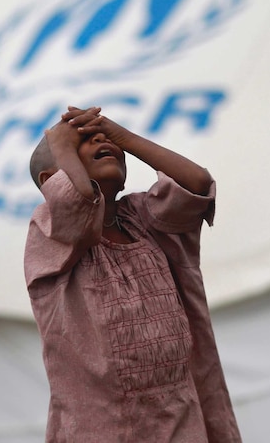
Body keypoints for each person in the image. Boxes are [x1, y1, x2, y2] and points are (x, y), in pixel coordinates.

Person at [24, 105, 242, 442]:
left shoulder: (144, 218)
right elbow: (77, 204)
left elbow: (196, 183)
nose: (99, 137)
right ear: (51, 182)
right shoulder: (48, 232)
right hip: (105, 427)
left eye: (103, 136)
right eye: (82, 140)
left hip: (181, 419)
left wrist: (121, 135)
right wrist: (60, 144)